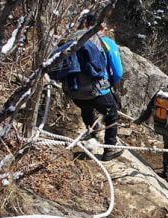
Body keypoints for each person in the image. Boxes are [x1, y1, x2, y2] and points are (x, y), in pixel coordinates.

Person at [52, 13, 124, 161]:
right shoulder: (106, 43)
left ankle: (93, 133)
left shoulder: (71, 39)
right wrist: (114, 83)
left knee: (87, 108)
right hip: (98, 90)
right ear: (102, 26)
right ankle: (110, 148)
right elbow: (118, 71)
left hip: (73, 90)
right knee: (112, 113)